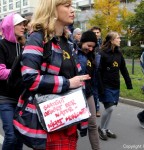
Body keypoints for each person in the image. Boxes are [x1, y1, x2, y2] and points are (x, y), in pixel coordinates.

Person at [14, 0, 91, 149]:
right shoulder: (37, 38)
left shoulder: (68, 41)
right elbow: (30, 79)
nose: (73, 10)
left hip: (69, 119)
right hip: (49, 124)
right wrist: (68, 83)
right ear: (52, 9)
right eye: (67, 6)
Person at [98, 31, 133, 141]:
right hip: (105, 85)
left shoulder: (119, 53)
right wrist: (101, 87)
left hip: (115, 85)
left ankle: (106, 128)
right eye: (118, 38)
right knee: (110, 108)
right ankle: (101, 129)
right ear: (112, 40)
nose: (120, 39)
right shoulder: (102, 53)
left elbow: (123, 69)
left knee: (111, 109)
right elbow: (98, 72)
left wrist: (129, 83)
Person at [0, 13, 26, 150]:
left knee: (19, 136)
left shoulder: (24, 46)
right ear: (10, 26)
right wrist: (19, 71)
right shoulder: (1, 45)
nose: (23, 27)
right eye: (19, 24)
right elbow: (0, 72)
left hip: (21, 99)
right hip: (5, 98)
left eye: (24, 24)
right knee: (10, 136)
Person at [78, 30, 100, 150]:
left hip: (88, 94)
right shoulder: (73, 53)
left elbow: (94, 80)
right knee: (70, 127)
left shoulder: (94, 57)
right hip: (73, 94)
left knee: (93, 125)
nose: (91, 49)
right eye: (88, 45)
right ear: (82, 42)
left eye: (93, 46)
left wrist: (96, 99)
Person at [91, 26, 102, 117]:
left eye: (98, 32)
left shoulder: (102, 45)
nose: (96, 34)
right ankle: (94, 108)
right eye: (94, 32)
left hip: (99, 71)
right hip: (90, 70)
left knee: (96, 91)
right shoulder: (89, 44)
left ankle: (96, 108)